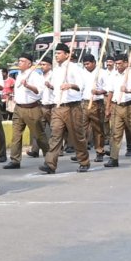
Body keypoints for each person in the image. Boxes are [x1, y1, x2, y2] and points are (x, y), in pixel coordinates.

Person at [39, 43, 90, 174]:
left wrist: (70, 85)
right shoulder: (56, 70)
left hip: (72, 106)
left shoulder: (74, 68)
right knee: (55, 135)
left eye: (59, 53)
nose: (57, 56)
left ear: (67, 55)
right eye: (55, 54)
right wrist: (51, 86)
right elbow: (56, 88)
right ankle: (50, 164)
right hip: (58, 106)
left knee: (77, 136)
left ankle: (84, 161)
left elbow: (81, 85)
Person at [4, 53, 49, 169]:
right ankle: (15, 160)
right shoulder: (19, 75)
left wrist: (28, 85)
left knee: (39, 135)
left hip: (32, 108)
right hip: (19, 108)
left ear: (29, 63)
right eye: (19, 60)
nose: (19, 63)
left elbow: (38, 91)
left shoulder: (35, 76)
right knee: (16, 135)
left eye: (22, 61)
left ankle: (49, 158)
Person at [105, 53, 131, 167]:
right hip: (117, 106)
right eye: (116, 64)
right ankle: (114, 158)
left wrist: (127, 90)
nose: (117, 66)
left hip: (130, 106)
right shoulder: (113, 75)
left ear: (126, 63)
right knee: (115, 133)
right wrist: (108, 108)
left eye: (119, 63)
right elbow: (110, 92)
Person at [80, 54, 107, 162]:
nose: (86, 66)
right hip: (84, 103)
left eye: (88, 64)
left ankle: (99, 151)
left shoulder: (102, 73)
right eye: (85, 64)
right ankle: (82, 153)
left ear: (94, 63)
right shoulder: (82, 73)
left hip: (97, 103)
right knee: (82, 129)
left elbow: (108, 88)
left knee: (97, 129)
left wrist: (98, 91)